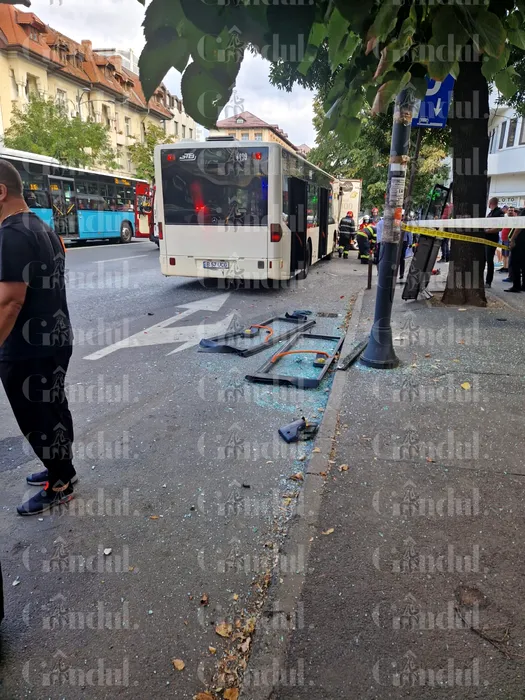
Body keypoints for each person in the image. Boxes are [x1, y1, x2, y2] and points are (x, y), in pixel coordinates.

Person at [0, 160, 77, 516]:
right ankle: (63, 469)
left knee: (37, 417)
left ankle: (60, 483)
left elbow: (10, 302)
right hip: (55, 340)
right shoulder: (42, 227)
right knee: (54, 408)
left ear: (1, 192)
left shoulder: (12, 233)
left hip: (28, 347)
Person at [484, 197, 504, 288]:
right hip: (486, 238)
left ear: (491, 203)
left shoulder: (499, 212)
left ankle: (488, 282)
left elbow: (499, 228)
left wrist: (488, 231)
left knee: (489, 260)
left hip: (491, 239)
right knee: (483, 259)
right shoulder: (491, 213)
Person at [505, 207, 525, 293]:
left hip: (520, 242)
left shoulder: (524, 212)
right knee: (523, 264)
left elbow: (519, 227)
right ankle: (524, 286)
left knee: (514, 264)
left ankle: (516, 286)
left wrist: (512, 239)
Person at [499, 206, 516, 276]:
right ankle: (505, 267)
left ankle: (508, 268)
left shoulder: (515, 220)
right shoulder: (506, 218)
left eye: (512, 210)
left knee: (508, 255)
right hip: (504, 238)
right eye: (509, 210)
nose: (510, 212)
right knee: (504, 254)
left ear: (514, 212)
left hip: (509, 239)